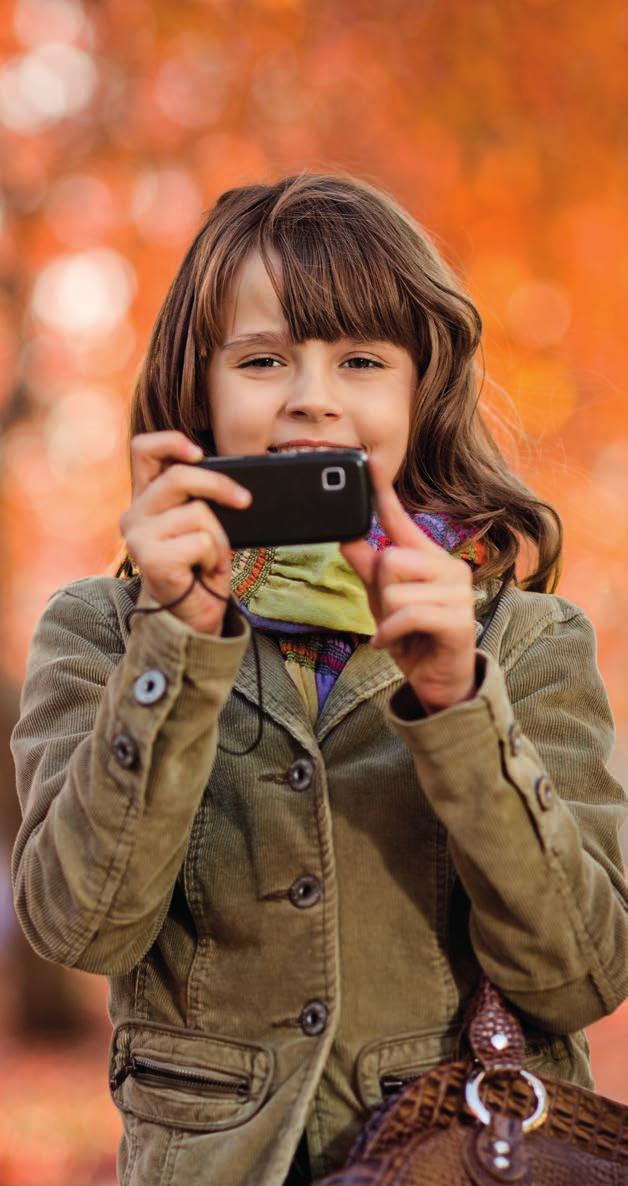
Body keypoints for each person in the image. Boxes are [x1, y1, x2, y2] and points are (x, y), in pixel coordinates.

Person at [10, 173, 627, 1186]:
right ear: (197, 389)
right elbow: (84, 923)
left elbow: (582, 972)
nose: (311, 395)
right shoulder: (102, 631)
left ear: (420, 389)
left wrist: (456, 701)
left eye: (360, 359)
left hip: (457, 1161)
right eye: (261, 359)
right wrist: (178, 637)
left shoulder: (525, 640)